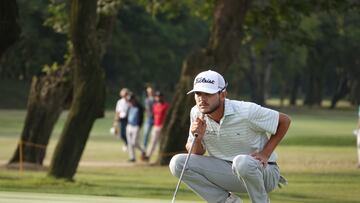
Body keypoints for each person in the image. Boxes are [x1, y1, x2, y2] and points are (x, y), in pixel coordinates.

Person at [169, 70, 291, 203]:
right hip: (228, 172)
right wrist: (197, 138)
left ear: (223, 95)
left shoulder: (246, 111)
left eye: (208, 94)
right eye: (198, 93)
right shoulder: (196, 112)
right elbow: (196, 152)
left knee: (242, 162)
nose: (202, 99)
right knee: (178, 163)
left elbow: (284, 121)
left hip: (264, 173)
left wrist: (266, 154)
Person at [144, 91, 170, 162]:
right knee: (153, 141)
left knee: (161, 142)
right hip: (155, 126)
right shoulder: (155, 106)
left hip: (162, 126)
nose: (158, 98)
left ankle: (160, 156)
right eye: (157, 96)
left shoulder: (166, 105)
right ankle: (148, 156)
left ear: (162, 97)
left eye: (159, 96)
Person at [126, 93, 146, 162]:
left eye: (131, 100)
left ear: (134, 99)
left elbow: (141, 117)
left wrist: (139, 125)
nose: (130, 101)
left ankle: (143, 151)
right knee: (129, 143)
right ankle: (132, 157)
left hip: (136, 126)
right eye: (129, 100)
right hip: (129, 125)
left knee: (134, 142)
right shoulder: (129, 106)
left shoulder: (139, 107)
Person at [143, 85, 155, 150]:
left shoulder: (156, 99)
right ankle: (144, 148)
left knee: (154, 136)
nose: (150, 93)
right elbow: (148, 110)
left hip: (155, 120)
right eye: (149, 92)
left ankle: (151, 148)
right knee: (146, 134)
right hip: (149, 119)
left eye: (151, 91)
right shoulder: (147, 100)